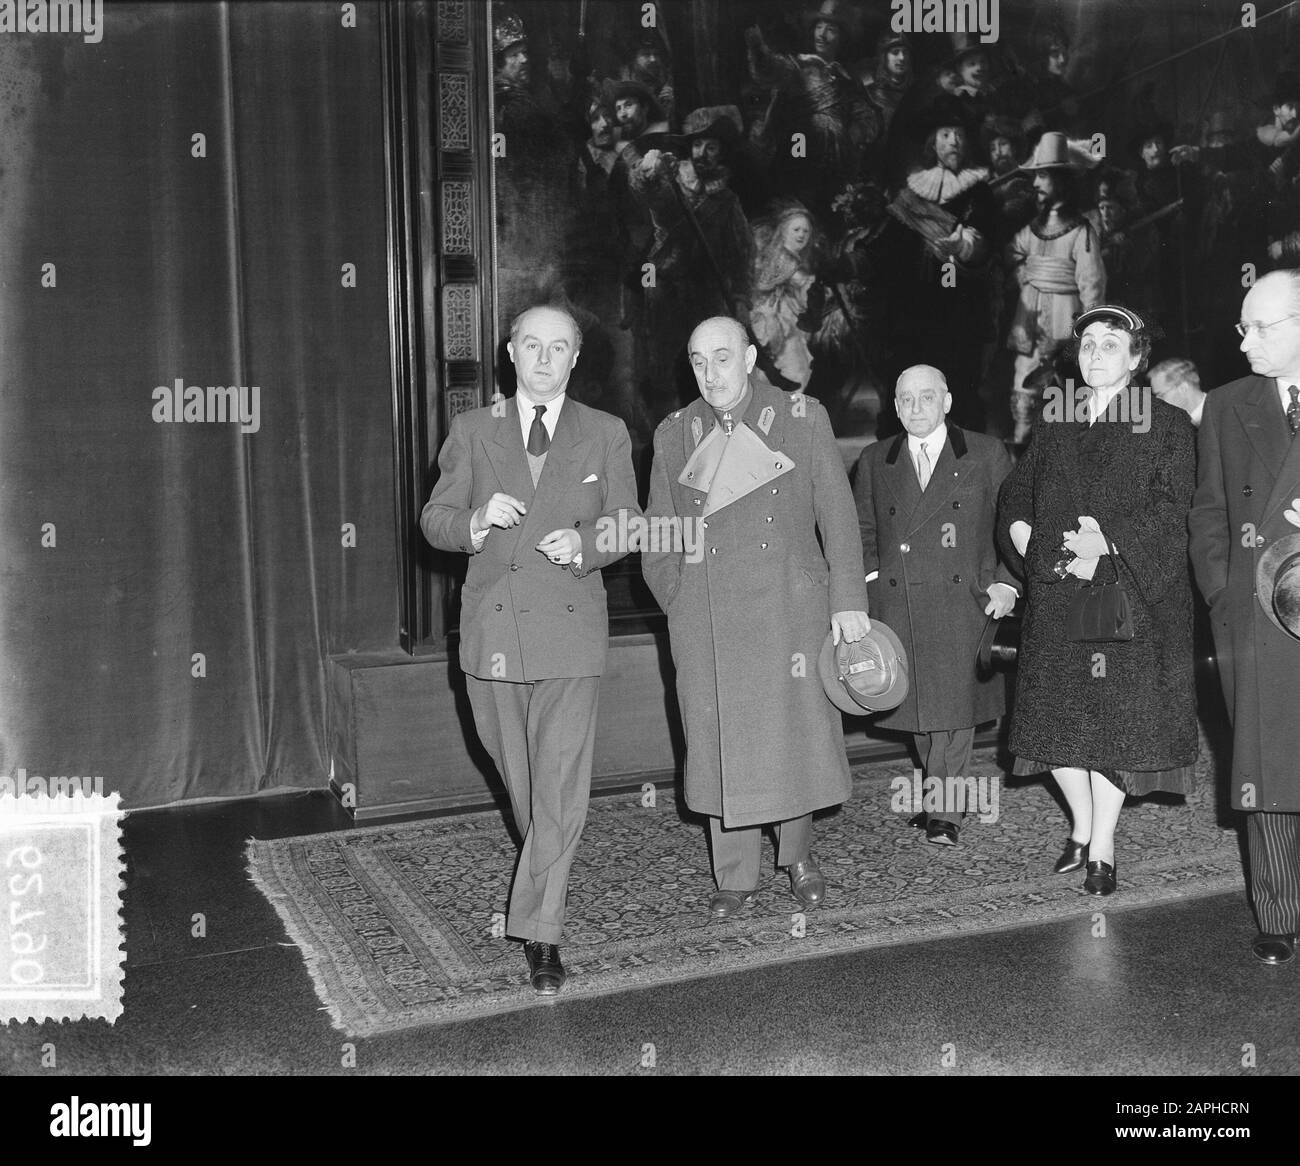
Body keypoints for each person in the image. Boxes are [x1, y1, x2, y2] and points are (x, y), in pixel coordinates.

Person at [420, 305, 640, 993]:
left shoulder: (605, 432)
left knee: (561, 787)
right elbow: (434, 520)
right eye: (532, 346)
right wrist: (476, 523)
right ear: (510, 353)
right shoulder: (472, 430)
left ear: (576, 359)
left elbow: (630, 521)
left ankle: (542, 934)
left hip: (571, 631)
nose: (545, 358)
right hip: (494, 634)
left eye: (560, 348)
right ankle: (549, 872)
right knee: (528, 789)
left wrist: (587, 544)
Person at [641, 316, 869, 919]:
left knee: (788, 734)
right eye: (697, 361)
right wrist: (680, 596)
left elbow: (838, 517)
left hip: (788, 611)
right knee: (718, 739)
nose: (710, 373)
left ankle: (798, 859)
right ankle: (735, 874)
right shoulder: (674, 432)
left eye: (721, 357)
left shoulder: (800, 417)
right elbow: (659, 532)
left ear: (748, 356)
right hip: (707, 614)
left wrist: (847, 600)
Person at [997, 304, 1198, 895]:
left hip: (1121, 595)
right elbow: (1017, 491)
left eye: (1110, 345)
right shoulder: (1058, 422)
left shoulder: (1164, 423)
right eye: (1086, 345)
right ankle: (1082, 825)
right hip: (1058, 592)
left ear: (1137, 359)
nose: (1094, 355)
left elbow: (1173, 508)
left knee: (1111, 723)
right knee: (1051, 725)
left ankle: (1102, 846)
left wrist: (1108, 545)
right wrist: (1020, 534)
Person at [852, 365, 1018, 844]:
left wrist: (1008, 583)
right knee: (918, 713)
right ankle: (938, 793)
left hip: (964, 601)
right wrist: (870, 581)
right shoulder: (874, 458)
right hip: (898, 603)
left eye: (927, 397)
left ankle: (946, 809)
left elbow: (1012, 524)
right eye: (905, 399)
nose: (915, 408)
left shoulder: (985, 453)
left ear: (947, 402)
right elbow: (862, 529)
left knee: (953, 712)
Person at [1189, 269, 1300, 964]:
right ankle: (1280, 912)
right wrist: (1222, 595)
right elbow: (1207, 512)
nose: (1245, 342)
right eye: (1242, 327)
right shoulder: (1226, 406)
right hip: (1257, 620)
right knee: (1268, 765)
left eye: (1261, 327)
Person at [1006, 132, 1106, 444]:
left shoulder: (1081, 231)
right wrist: (1027, 274)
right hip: (1029, 323)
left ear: (1061, 180)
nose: (1035, 184)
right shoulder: (1030, 229)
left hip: (1067, 324)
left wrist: (1089, 332)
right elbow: (1012, 255)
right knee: (1024, 396)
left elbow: (1092, 284)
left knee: (1069, 399)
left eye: (1043, 176)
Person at [750, 202, 819, 389]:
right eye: (796, 229)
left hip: (786, 315)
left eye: (806, 231)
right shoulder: (784, 258)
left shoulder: (792, 258)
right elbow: (801, 283)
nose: (802, 234)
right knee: (793, 365)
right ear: (784, 231)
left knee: (797, 365)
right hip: (775, 317)